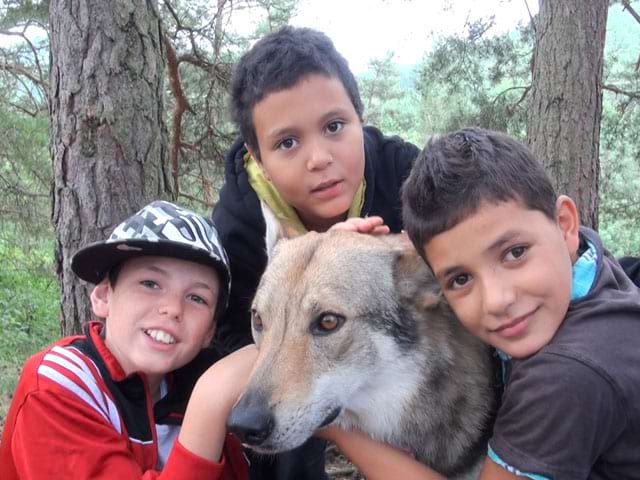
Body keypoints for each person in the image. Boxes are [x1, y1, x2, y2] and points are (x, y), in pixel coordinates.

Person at [211, 26, 420, 479]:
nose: (319, 158)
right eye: (287, 142)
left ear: (359, 119)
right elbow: (229, 331)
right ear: (257, 156)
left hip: (388, 362)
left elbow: (490, 234)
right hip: (277, 373)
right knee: (276, 436)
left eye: (334, 126)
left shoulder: (405, 175)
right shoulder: (238, 228)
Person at [383, 127, 640, 479]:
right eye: (461, 279)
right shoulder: (580, 258)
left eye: (514, 253)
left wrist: (341, 429)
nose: (497, 301)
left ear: (565, 225)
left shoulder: (563, 377)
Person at [0, 201, 258, 480]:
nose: (172, 308)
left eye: (197, 298)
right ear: (103, 297)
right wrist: (209, 402)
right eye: (150, 284)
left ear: (210, 331)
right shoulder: (57, 385)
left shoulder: (192, 384)